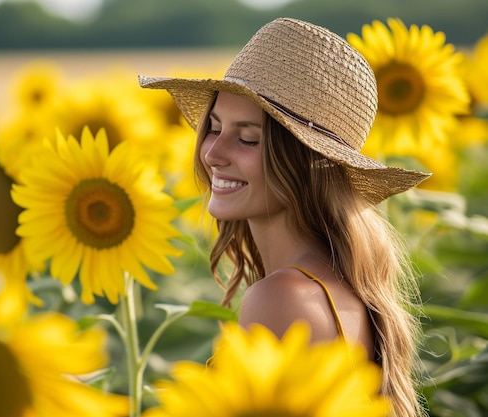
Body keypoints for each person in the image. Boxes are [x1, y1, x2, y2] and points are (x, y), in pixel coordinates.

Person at [139, 17, 430, 417]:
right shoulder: (340, 287)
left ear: (308, 163)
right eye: (214, 127)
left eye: (247, 139)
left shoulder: (281, 298)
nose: (212, 154)